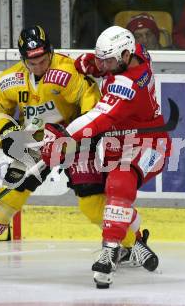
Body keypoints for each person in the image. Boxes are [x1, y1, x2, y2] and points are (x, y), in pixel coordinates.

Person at [0, 25, 144, 278]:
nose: (38, 66)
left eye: (43, 60)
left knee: (91, 203)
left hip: (75, 142)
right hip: (34, 142)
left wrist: (79, 134)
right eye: (32, 62)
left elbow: (91, 101)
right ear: (23, 59)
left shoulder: (68, 71)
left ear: (50, 52)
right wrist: (10, 136)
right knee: (9, 197)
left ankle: (134, 244)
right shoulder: (8, 80)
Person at [42, 26, 172, 288]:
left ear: (125, 56)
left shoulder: (130, 83)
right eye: (103, 58)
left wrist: (62, 136)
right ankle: (136, 243)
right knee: (105, 197)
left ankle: (109, 251)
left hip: (150, 145)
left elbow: (98, 119)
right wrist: (89, 63)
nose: (105, 65)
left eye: (109, 60)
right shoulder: (134, 53)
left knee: (119, 183)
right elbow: (98, 62)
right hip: (119, 143)